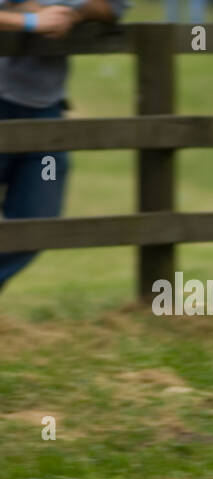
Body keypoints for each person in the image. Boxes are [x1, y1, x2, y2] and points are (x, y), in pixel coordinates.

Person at [0, 0, 125, 292]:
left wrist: (71, 9)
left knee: (40, 221)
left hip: (45, 116)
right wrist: (31, 21)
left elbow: (114, 7)